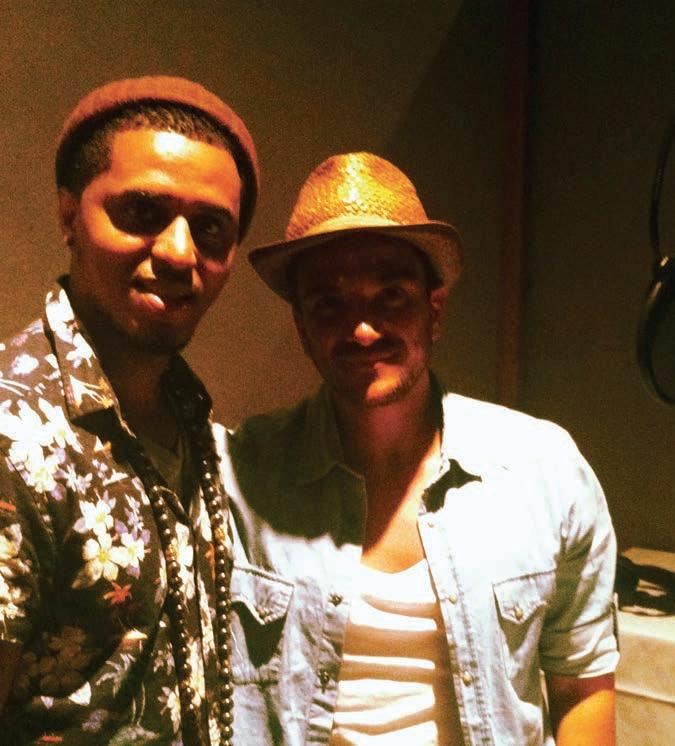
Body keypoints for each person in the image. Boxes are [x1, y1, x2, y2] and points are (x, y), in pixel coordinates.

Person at [219, 152, 618, 745]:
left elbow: (581, 686)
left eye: (391, 295)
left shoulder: (544, 470)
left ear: (435, 309)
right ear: (302, 325)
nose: (362, 329)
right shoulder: (242, 476)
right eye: (329, 302)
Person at [0, 76, 259, 745]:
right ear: (69, 216)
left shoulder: (198, 431)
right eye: (142, 211)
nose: (178, 252)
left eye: (210, 229)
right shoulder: (12, 432)